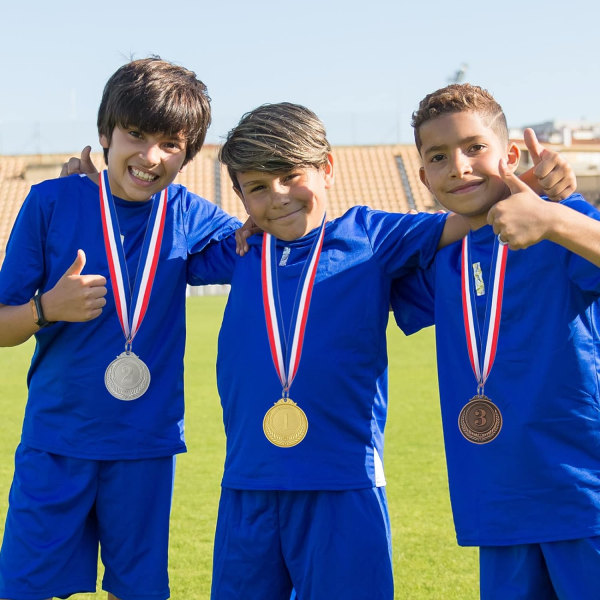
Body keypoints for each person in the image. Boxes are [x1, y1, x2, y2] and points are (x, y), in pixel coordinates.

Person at [184, 101, 575, 600]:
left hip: (344, 483)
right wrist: (92, 185)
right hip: (246, 485)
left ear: (326, 169)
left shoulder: (370, 235)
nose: (278, 196)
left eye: (289, 176)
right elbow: (158, 227)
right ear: (239, 196)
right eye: (258, 187)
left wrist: (544, 186)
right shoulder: (236, 248)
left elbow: (473, 218)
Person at [0, 57, 239, 600]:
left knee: (139, 590)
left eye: (170, 144)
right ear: (106, 132)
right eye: (135, 134)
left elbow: (260, 246)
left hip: (144, 446)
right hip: (56, 443)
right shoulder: (52, 202)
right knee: (24, 587)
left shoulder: (189, 214)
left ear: (188, 155)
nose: (150, 157)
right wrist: (46, 309)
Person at [391, 83, 600, 600]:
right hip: (496, 498)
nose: (459, 166)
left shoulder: (563, 225)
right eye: (439, 157)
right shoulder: (442, 259)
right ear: (423, 175)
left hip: (582, 493)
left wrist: (554, 213)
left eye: (474, 148)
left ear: (509, 155)